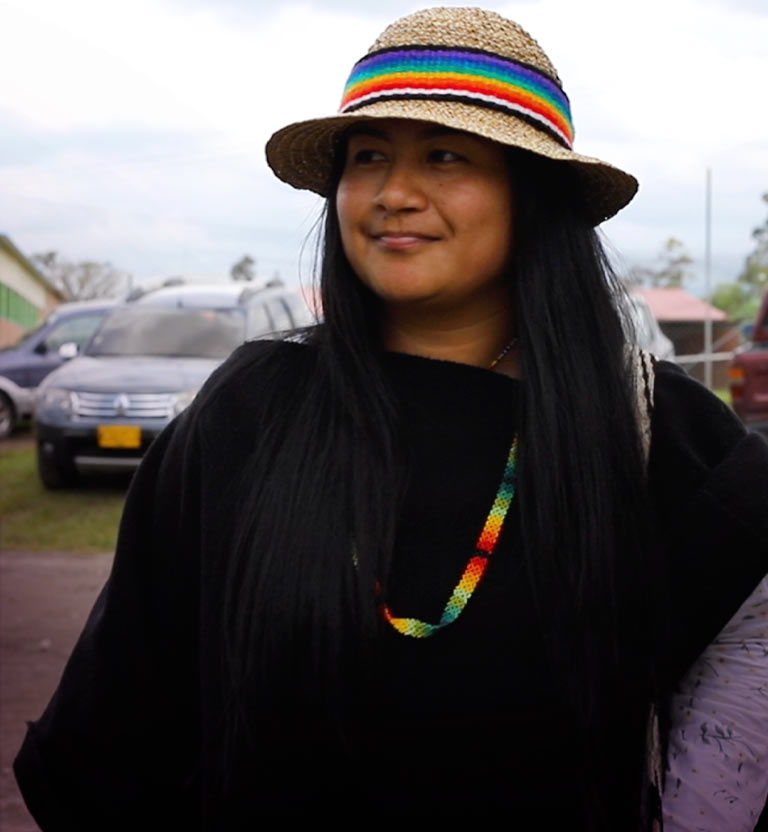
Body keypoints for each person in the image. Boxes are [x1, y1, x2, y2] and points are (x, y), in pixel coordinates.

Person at [14, 7, 768, 830]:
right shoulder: (251, 411)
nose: (392, 195)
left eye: (445, 155)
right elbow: (118, 728)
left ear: (532, 193)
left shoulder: (648, 429)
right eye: (368, 157)